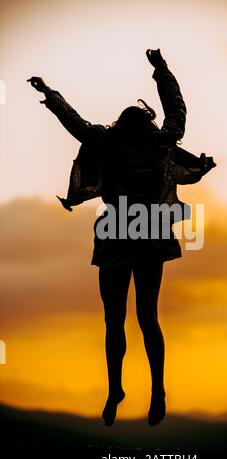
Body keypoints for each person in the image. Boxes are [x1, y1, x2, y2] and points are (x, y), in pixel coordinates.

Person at [27, 48, 216, 427]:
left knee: (114, 319)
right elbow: (177, 110)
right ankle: (157, 389)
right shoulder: (162, 141)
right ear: (148, 124)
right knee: (149, 317)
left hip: (116, 232)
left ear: (120, 126)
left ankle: (116, 388)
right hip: (151, 232)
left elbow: (74, 123)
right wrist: (161, 70)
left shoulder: (107, 142)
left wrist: (50, 94)